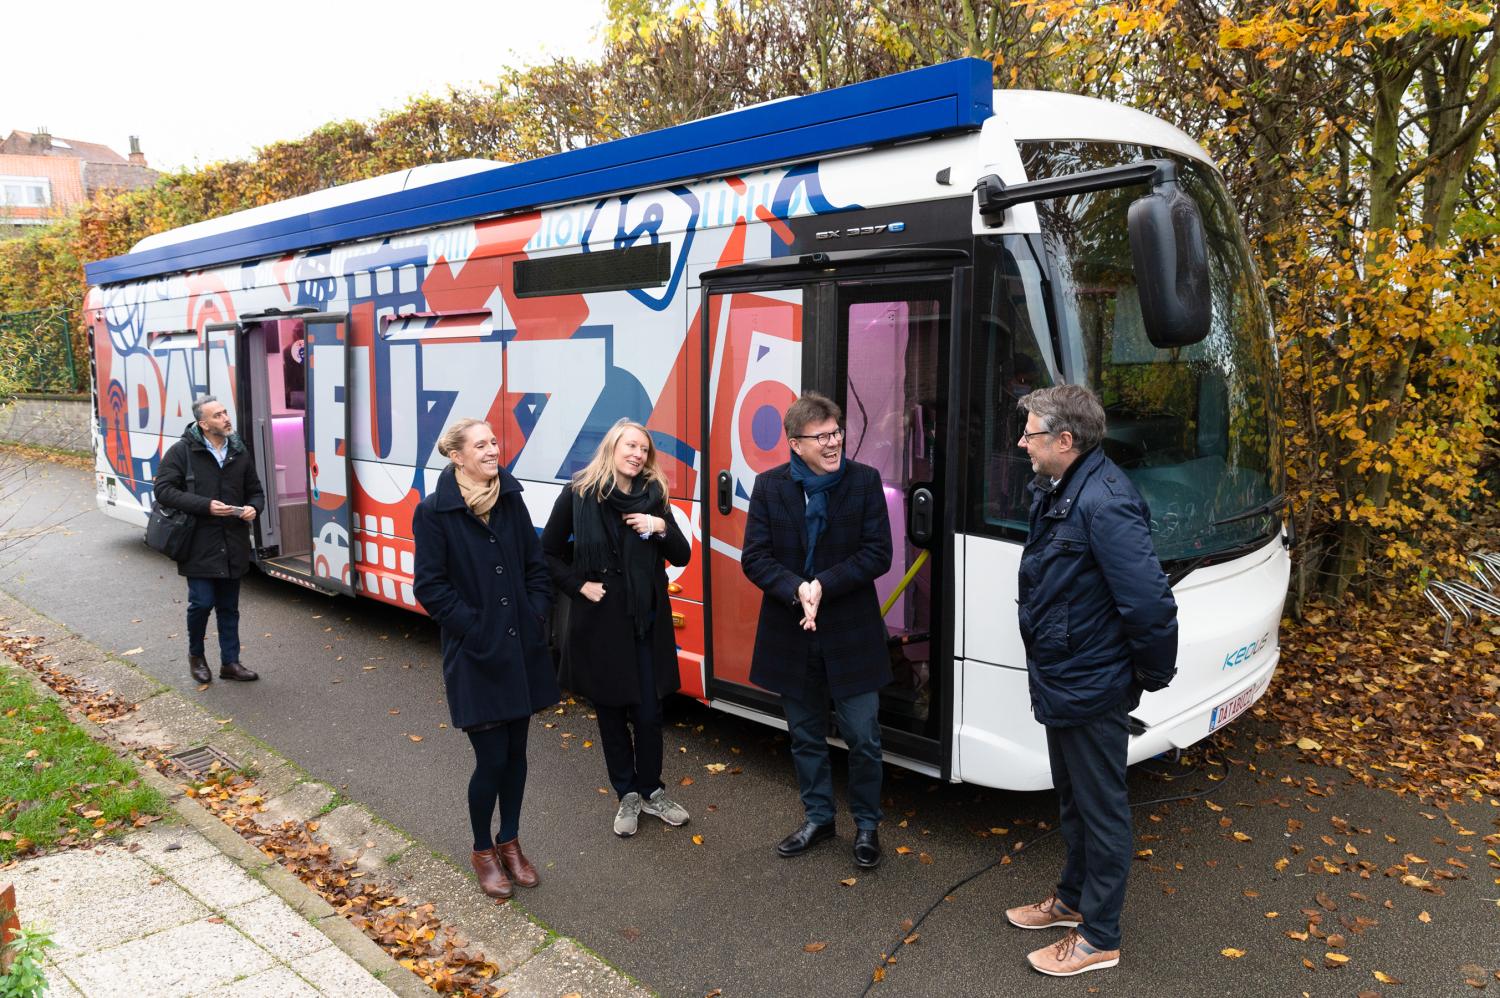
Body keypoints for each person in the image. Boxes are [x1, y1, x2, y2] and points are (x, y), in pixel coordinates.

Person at [1005, 385, 1179, 977]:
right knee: (1075, 799)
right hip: (1066, 677)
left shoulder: (1104, 502)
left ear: (1064, 440)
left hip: (1092, 684)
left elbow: (1150, 603)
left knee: (1102, 811)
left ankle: (1099, 936)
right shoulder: (1060, 488)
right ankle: (1073, 900)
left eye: (1029, 433)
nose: (1021, 443)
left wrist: (1150, 675)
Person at [741, 391, 893, 869]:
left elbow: (877, 553)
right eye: (821, 436)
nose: (833, 443)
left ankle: (867, 826)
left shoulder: (865, 482)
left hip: (852, 634)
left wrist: (822, 585)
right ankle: (819, 818)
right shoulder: (769, 488)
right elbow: (756, 558)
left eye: (837, 433)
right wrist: (796, 590)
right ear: (794, 444)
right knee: (805, 736)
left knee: (864, 737)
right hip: (792, 634)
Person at [412, 418, 560, 901]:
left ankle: (510, 842)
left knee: (517, 756)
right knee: (491, 759)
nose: (493, 450)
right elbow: (430, 586)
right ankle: (482, 850)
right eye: (481, 444)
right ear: (457, 456)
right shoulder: (434, 512)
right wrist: (474, 628)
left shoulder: (510, 499)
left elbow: (536, 567)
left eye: (494, 441)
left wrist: (536, 614)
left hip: (520, 650)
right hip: (476, 655)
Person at [542, 419, 692, 837]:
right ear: (612, 448)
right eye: (631, 446)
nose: (638, 455)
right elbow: (547, 554)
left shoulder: (654, 497)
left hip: (646, 622)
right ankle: (626, 793)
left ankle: (652, 791)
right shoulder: (578, 494)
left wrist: (659, 526)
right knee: (610, 712)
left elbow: (681, 556)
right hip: (601, 620)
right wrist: (579, 586)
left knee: (649, 712)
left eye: (644, 449)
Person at [154, 395, 265, 685]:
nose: (226, 418)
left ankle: (230, 663)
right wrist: (205, 505)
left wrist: (254, 507)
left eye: (225, 412)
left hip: (233, 542)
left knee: (229, 607)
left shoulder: (238, 451)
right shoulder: (182, 451)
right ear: (203, 424)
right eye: (217, 415)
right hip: (198, 542)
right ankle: (196, 657)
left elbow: (255, 491)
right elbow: (163, 490)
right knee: (201, 603)